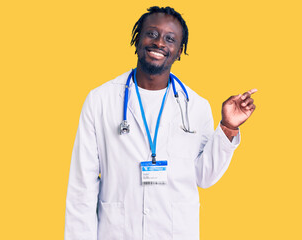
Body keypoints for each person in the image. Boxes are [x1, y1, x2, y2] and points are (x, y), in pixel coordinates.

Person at [65, 6, 257, 240]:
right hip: (118, 232)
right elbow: (81, 185)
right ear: (137, 39)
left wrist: (228, 127)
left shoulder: (196, 106)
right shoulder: (100, 100)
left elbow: (204, 177)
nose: (159, 43)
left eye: (170, 39)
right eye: (152, 34)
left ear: (179, 51)